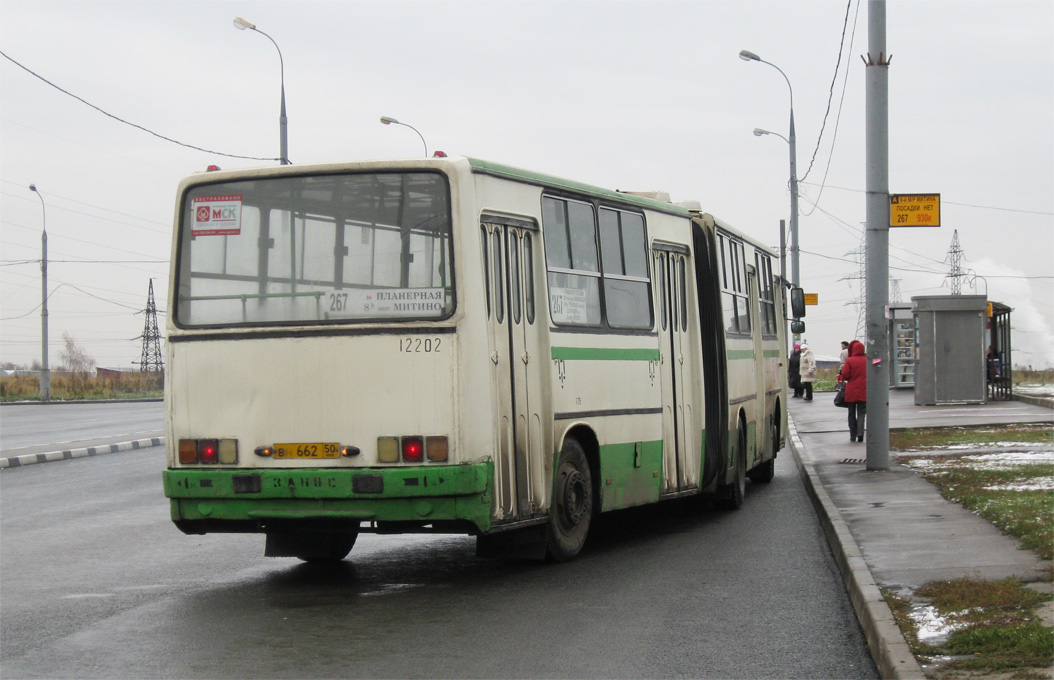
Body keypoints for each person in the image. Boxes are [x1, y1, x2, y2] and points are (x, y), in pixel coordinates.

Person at [841, 339, 867, 442]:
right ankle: (860, 434)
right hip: (863, 390)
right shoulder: (866, 360)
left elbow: (846, 375)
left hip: (851, 391)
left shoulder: (850, 360)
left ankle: (852, 435)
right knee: (861, 413)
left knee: (851, 413)